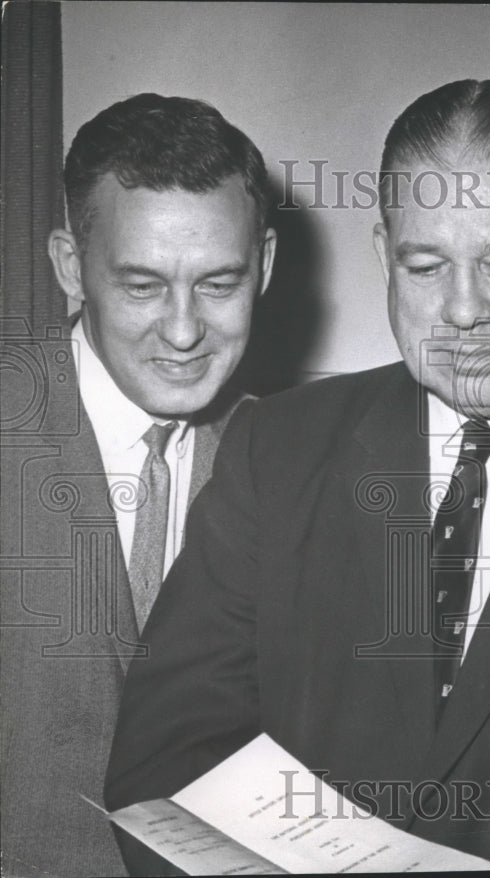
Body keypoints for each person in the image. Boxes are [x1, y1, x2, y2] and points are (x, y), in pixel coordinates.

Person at [103, 79, 490, 870]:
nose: (463, 311)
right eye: (427, 265)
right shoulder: (278, 450)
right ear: (384, 259)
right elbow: (165, 766)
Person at [0, 94, 276, 877]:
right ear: (68, 266)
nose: (185, 332)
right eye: (143, 286)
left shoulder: (291, 457)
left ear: (268, 264)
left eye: (220, 284)